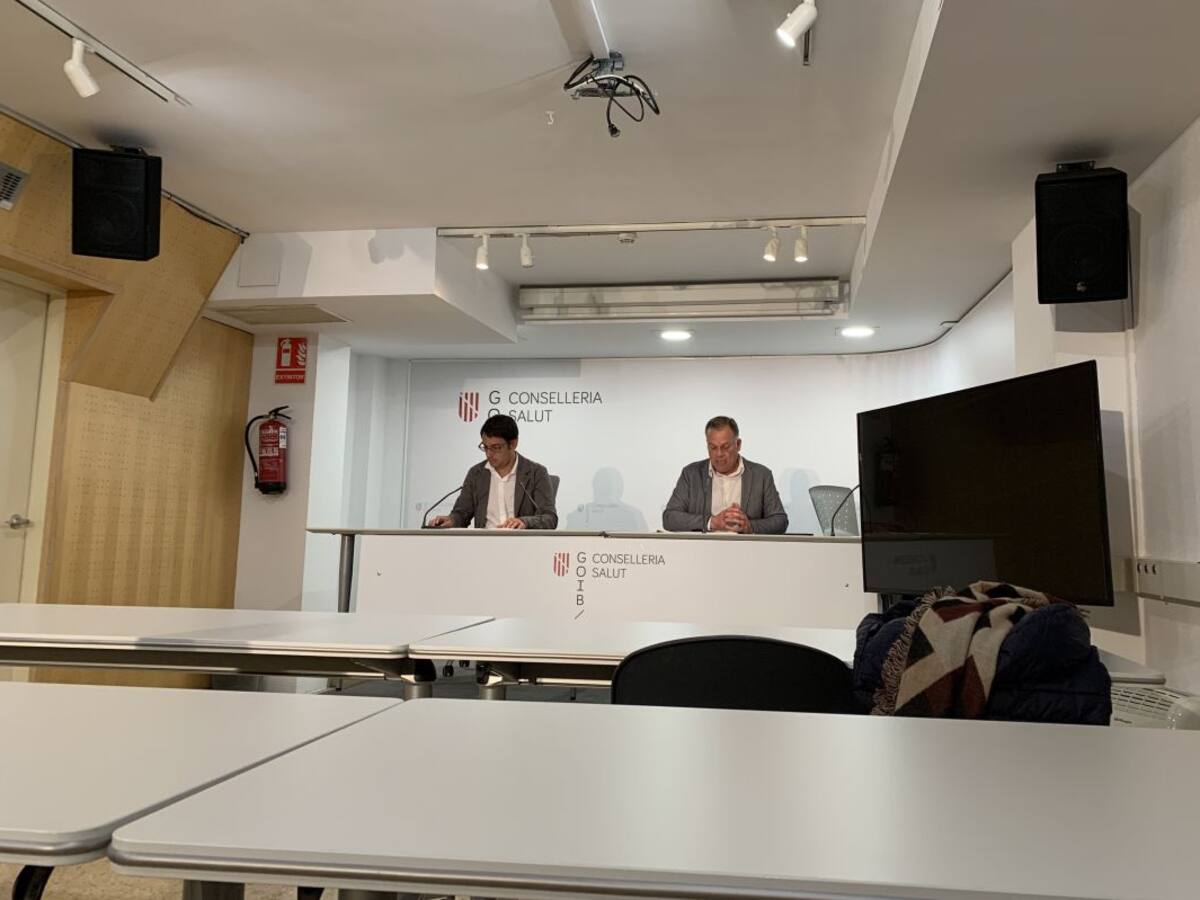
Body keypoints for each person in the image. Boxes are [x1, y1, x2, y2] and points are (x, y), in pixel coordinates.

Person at [428, 414, 558, 529]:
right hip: (484, 544)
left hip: (522, 543)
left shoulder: (536, 473)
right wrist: (451, 520)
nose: (489, 454)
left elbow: (550, 518)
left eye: (496, 447)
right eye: (485, 447)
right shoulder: (476, 474)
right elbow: (461, 514)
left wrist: (524, 522)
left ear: (513, 444)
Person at [662, 415, 788, 534]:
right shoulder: (691, 474)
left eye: (725, 447)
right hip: (702, 549)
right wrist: (711, 522)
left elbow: (780, 521)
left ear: (738, 444)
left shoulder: (761, 475)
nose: (719, 454)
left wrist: (749, 526)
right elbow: (669, 518)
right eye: (713, 447)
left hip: (746, 549)